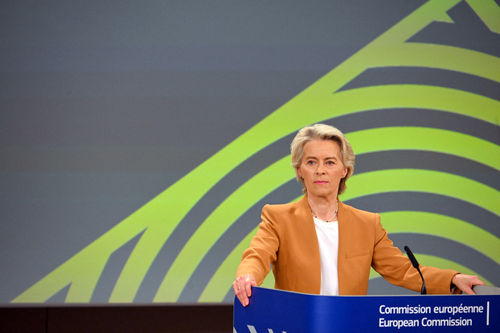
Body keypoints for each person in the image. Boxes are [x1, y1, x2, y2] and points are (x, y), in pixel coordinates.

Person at [233, 124, 484, 306]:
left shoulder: (367, 224)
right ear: (300, 171)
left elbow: (404, 271)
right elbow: (257, 255)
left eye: (330, 162)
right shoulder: (278, 218)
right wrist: (248, 277)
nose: (320, 170)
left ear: (345, 170)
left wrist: (452, 279)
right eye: (311, 162)